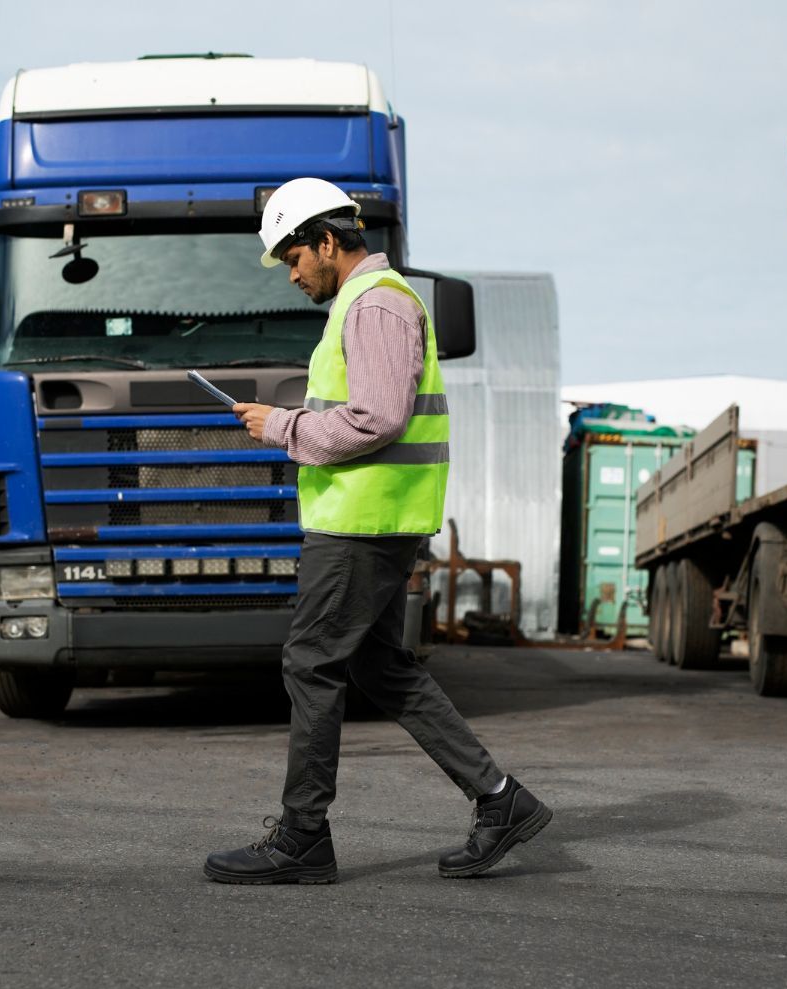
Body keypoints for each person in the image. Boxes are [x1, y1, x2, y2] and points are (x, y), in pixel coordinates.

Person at [202, 178, 551, 884]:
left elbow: (379, 417)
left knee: (310, 664)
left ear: (328, 242)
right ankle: (499, 799)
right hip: (373, 518)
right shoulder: (369, 305)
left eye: (294, 256)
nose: (291, 272)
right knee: (377, 666)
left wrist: (284, 426)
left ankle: (303, 837)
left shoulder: (377, 304)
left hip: (364, 525)